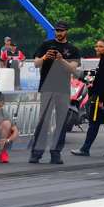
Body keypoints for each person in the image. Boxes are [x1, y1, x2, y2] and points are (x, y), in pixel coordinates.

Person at [30, 21, 81, 164]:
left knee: (61, 122)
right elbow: (36, 64)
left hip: (63, 89)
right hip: (47, 87)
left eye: (61, 30)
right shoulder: (46, 45)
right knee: (43, 121)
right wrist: (45, 57)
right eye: (57, 30)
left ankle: (56, 153)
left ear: (66, 31)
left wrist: (61, 59)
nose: (59, 33)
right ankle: (36, 153)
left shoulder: (73, 49)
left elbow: (73, 70)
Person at [71, 38, 104, 158]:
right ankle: (87, 148)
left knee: (95, 123)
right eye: (97, 46)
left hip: (101, 98)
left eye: (100, 46)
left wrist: (100, 100)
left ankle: (85, 149)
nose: (97, 48)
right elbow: (102, 79)